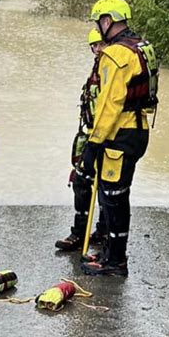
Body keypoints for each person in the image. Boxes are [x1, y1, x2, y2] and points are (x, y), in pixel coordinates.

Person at [79, 0, 158, 276]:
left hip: (119, 133)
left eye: (99, 22)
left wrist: (93, 144)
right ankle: (113, 255)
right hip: (139, 129)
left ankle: (115, 261)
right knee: (118, 195)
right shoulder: (143, 47)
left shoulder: (115, 54)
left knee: (113, 198)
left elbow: (108, 104)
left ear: (107, 21)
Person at [55, 28, 106, 251]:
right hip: (90, 135)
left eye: (100, 45)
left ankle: (101, 233)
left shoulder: (112, 69)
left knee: (104, 187)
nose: (96, 50)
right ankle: (82, 232)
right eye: (93, 46)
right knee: (82, 181)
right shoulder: (99, 67)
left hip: (106, 138)